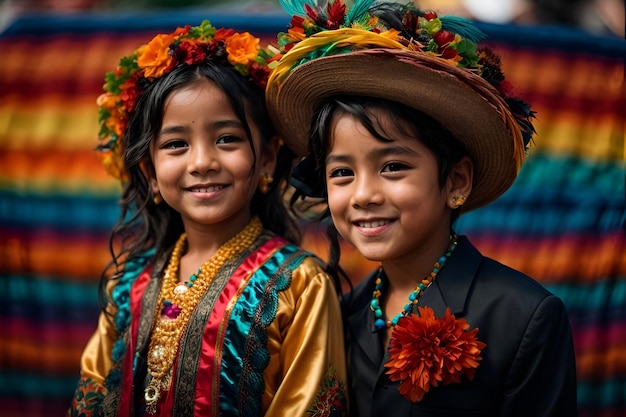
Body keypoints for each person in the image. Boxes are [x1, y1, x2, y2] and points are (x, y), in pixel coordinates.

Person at [266, 1, 577, 416]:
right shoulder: (339, 315)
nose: (363, 195)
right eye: (342, 172)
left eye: (393, 167)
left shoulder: (524, 318)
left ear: (456, 181)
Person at [67, 20, 348, 417]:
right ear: (150, 174)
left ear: (267, 157)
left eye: (227, 139)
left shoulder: (300, 286)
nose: (202, 162)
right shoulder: (127, 286)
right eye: (176, 144)